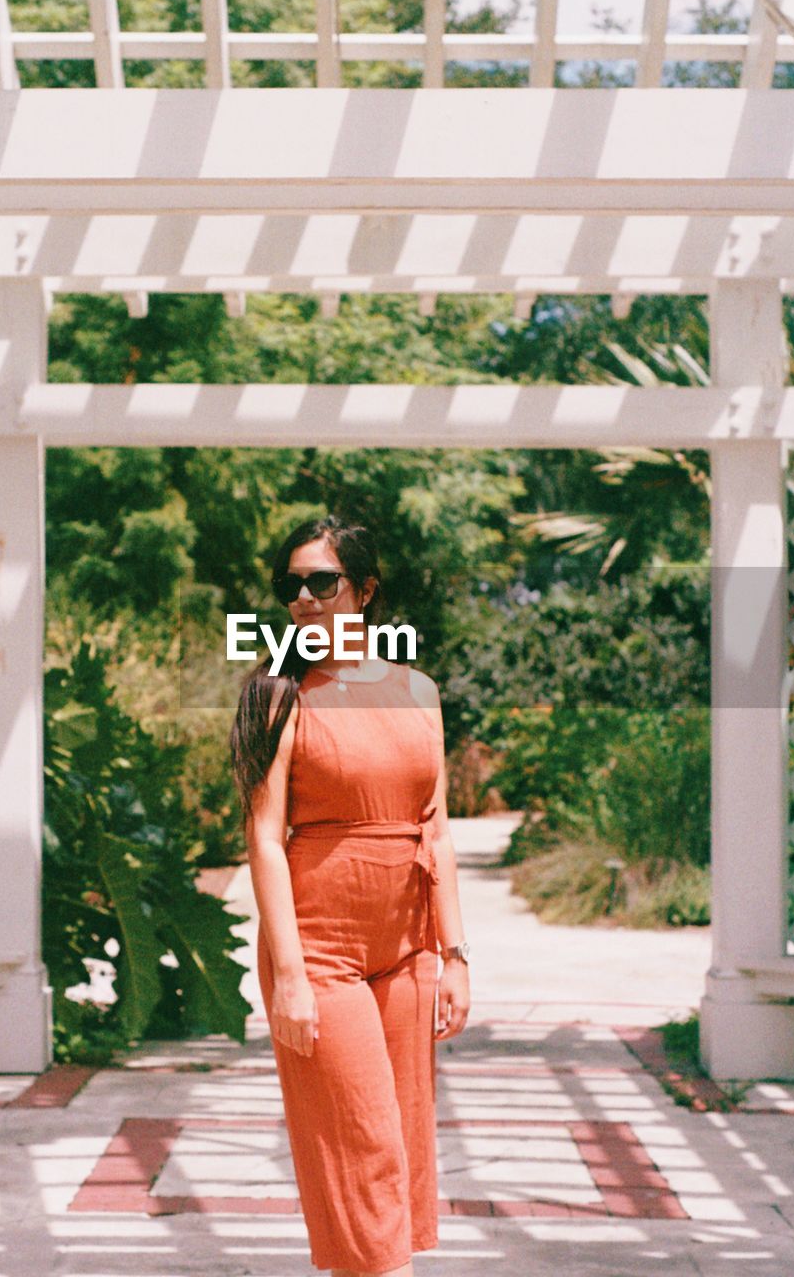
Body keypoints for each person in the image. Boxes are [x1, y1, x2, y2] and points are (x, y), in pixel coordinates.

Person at [229, 514, 471, 1277]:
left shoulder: (418, 692)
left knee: (399, 1142)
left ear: (364, 590)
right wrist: (291, 977)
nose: (302, 598)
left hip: (405, 956)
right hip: (320, 953)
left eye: (320, 582)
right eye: (290, 585)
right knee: (361, 1147)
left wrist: (453, 955)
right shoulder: (278, 695)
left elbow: (434, 831)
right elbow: (264, 838)